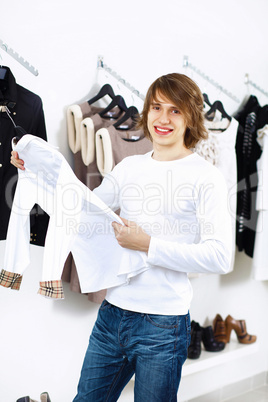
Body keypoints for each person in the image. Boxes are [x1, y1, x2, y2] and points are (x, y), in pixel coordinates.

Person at [11, 73, 232, 402]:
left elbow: (220, 256)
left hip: (164, 325)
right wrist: (35, 172)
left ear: (191, 116)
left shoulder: (206, 177)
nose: (163, 118)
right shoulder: (129, 168)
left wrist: (148, 246)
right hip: (112, 316)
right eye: (157, 107)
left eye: (175, 110)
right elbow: (82, 210)